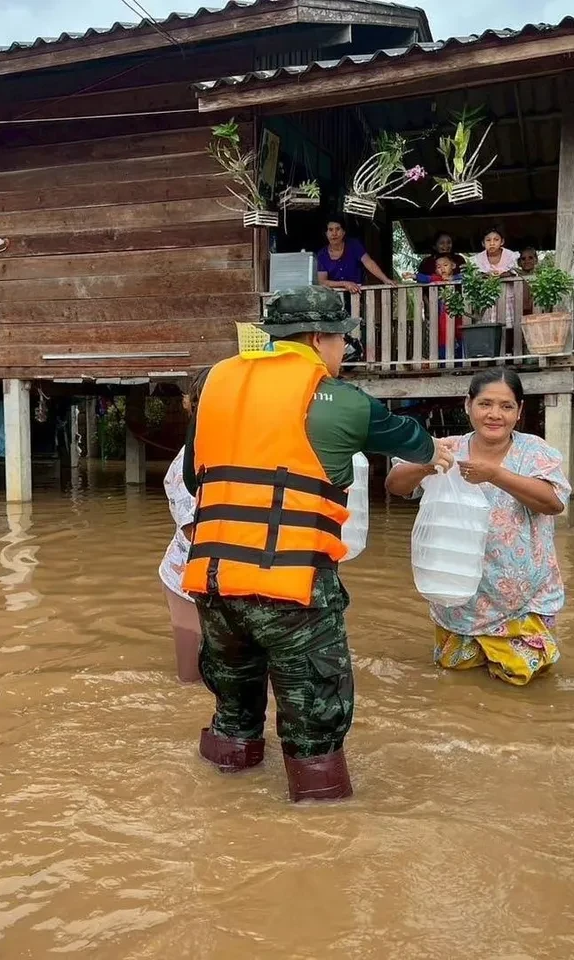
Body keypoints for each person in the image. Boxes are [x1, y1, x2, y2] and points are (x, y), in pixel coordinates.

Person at [182, 286, 454, 802]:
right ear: (316, 338)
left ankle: (219, 805)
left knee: (233, 715)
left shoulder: (217, 382)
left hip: (215, 587)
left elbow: (199, 479)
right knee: (315, 725)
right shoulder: (339, 401)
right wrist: (436, 452)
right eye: (341, 342)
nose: (343, 353)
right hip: (293, 592)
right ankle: (321, 832)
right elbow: (414, 442)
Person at [385, 369, 569, 687]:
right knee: (456, 680)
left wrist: (495, 475)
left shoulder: (535, 452)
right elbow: (395, 485)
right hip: (460, 600)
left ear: (519, 411)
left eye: (506, 406)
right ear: (468, 405)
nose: (494, 414)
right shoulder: (447, 448)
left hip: (523, 601)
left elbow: (553, 503)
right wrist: (428, 463)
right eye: (485, 404)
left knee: (522, 680)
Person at [160, 369, 212, 683]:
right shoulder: (187, 462)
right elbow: (195, 532)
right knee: (189, 677)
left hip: (224, 577)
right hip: (185, 579)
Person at [316, 219, 395, 294]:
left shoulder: (354, 245)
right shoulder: (322, 255)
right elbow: (322, 282)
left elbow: (368, 262)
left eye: (338, 229)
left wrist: (385, 279)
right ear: (326, 234)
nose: (334, 233)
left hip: (357, 293)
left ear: (343, 232)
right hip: (334, 297)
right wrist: (345, 284)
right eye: (330, 230)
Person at [414, 255, 463, 360]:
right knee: (442, 335)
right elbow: (425, 278)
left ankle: (460, 362)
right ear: (436, 270)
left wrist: (452, 278)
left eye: (445, 265)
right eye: (438, 267)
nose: (442, 269)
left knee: (459, 334)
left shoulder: (459, 277)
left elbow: (466, 276)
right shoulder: (437, 278)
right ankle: (443, 361)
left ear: (453, 265)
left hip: (459, 313)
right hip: (443, 314)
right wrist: (412, 276)